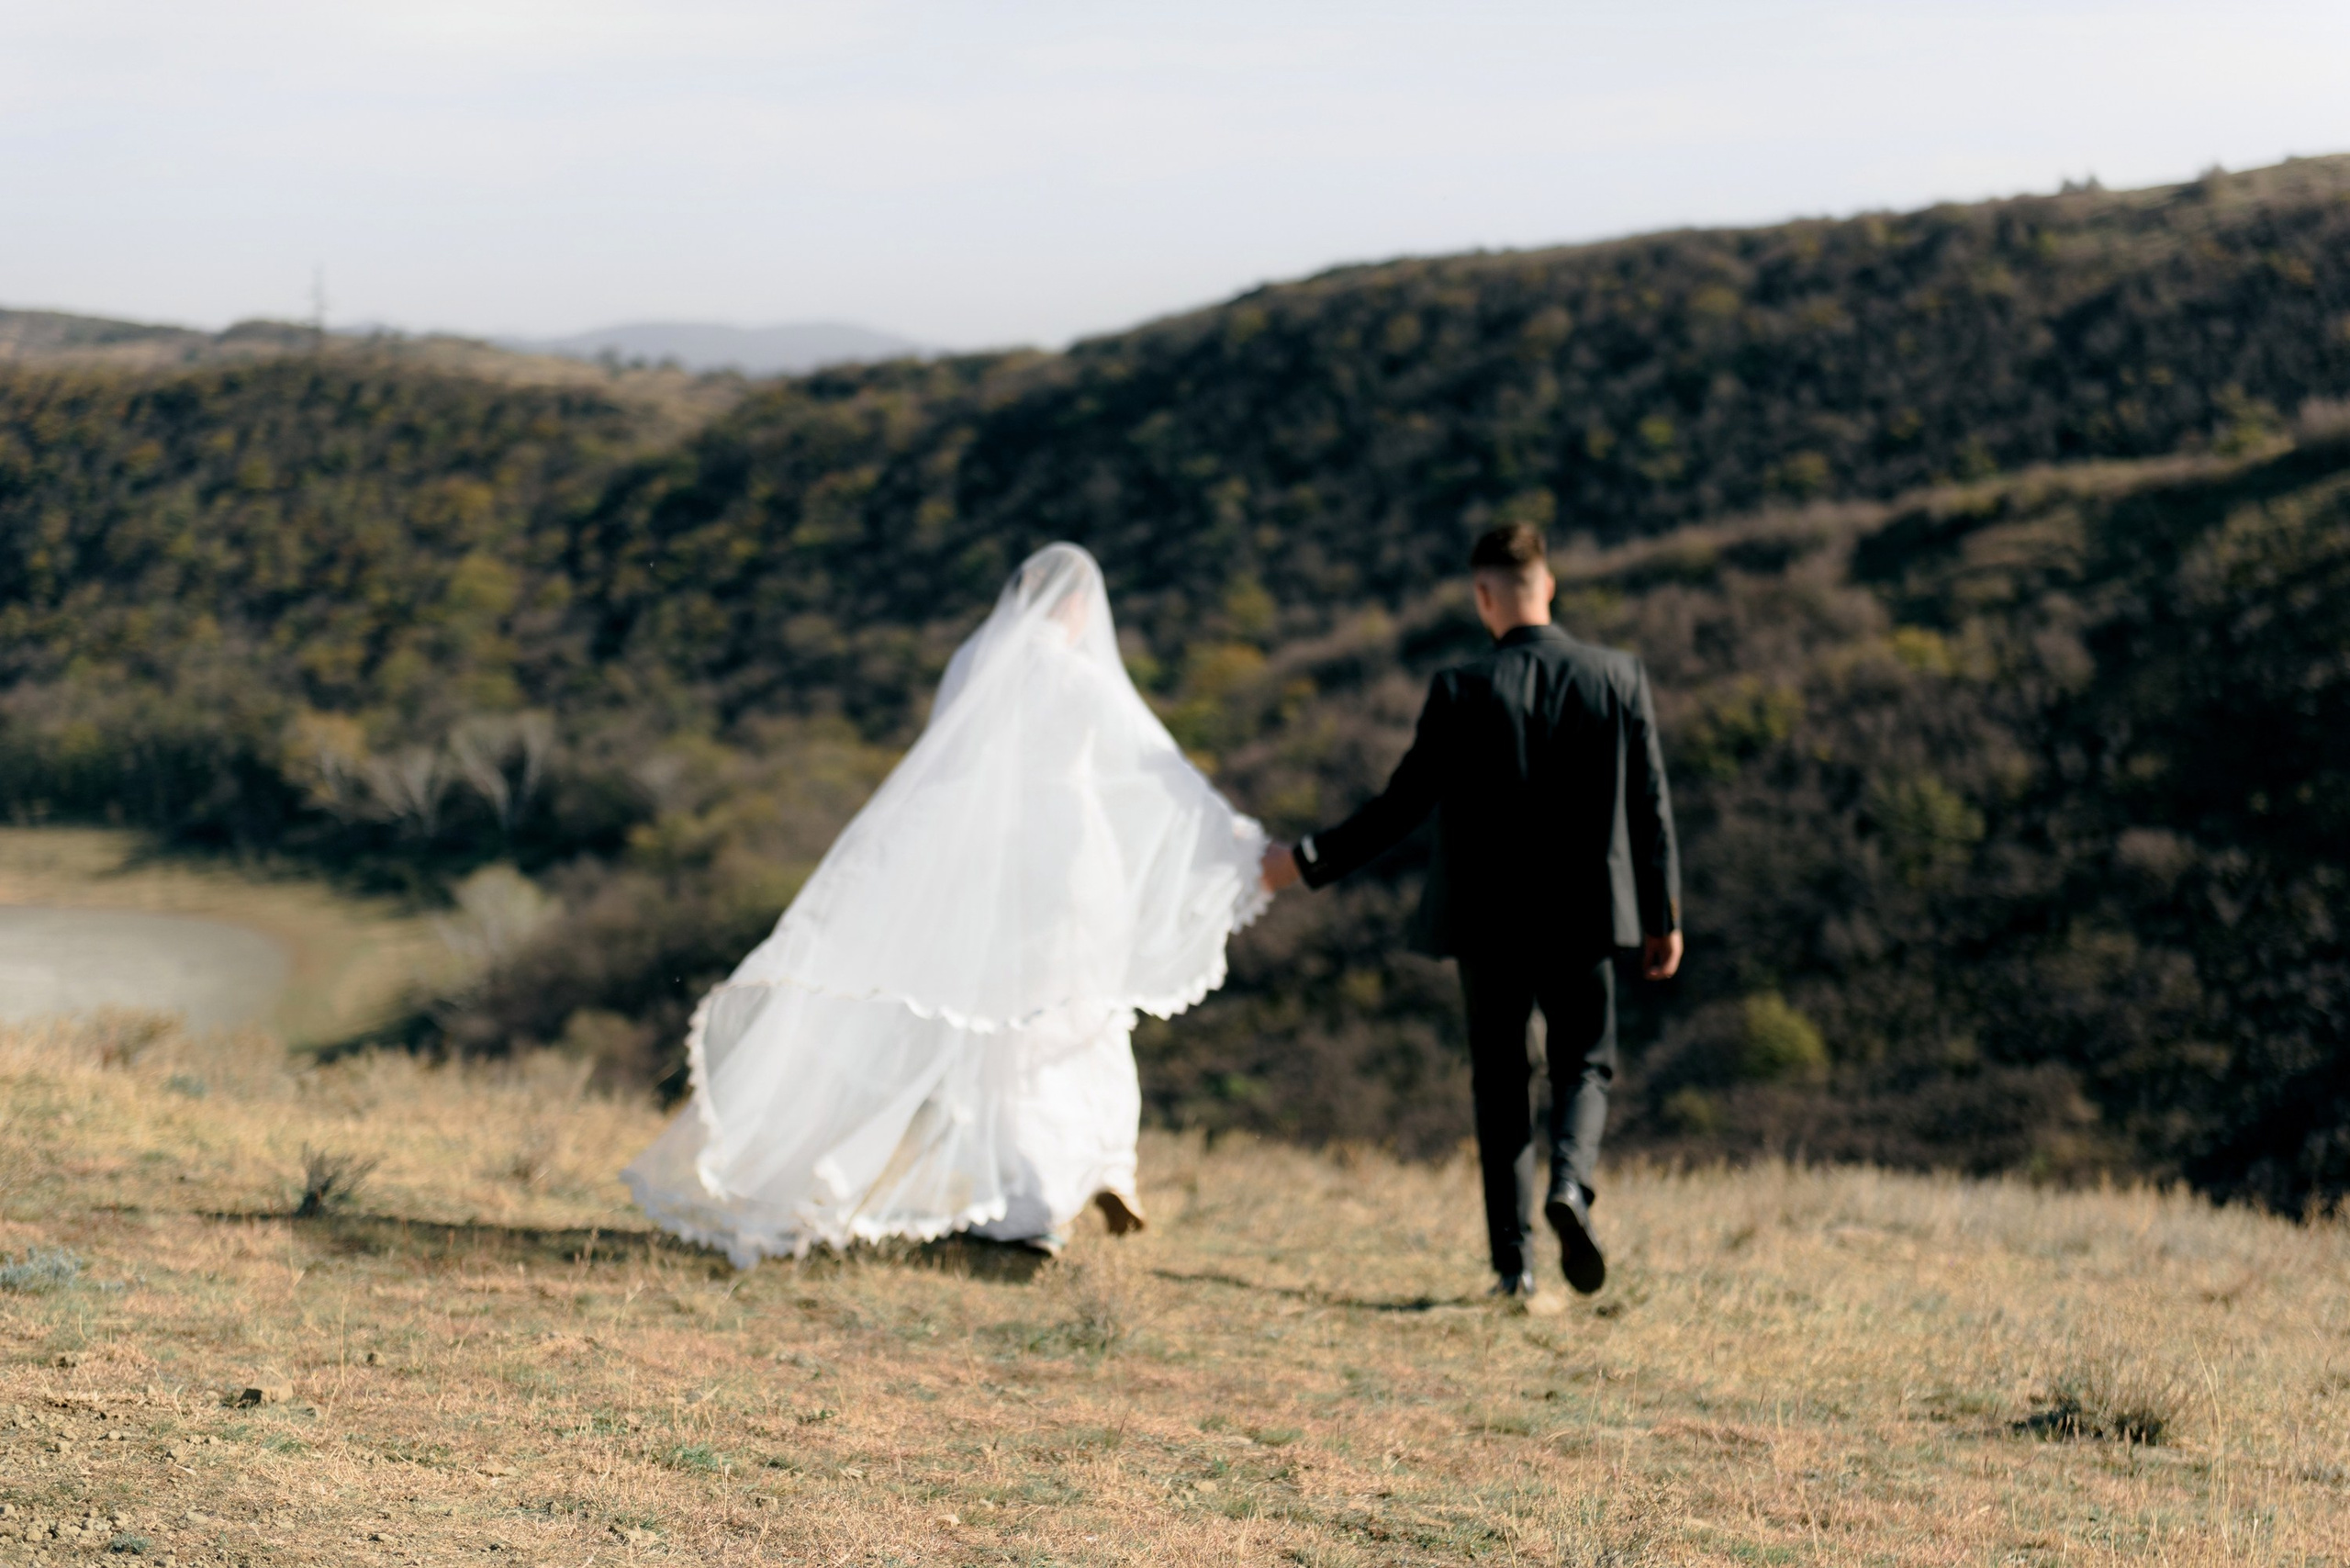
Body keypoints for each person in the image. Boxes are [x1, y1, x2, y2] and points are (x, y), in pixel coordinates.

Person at [624, 543, 1272, 1264]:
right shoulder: (1078, 676)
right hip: (1071, 864)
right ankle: (1082, 1173)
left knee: (1004, 1024)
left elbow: (954, 764)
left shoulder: (976, 662)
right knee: (1073, 1015)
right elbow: (1154, 770)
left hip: (993, 862)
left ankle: (1055, 1182)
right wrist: (1236, 842)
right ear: (1077, 604)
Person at [1260, 521, 1682, 1311]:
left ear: (1483, 597)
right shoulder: (1618, 677)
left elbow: (1399, 809)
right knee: (1584, 1063)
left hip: (1488, 925)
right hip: (1588, 915)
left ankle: (1513, 1267)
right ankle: (1571, 1185)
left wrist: (1307, 860)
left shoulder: (1461, 689)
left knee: (1500, 1085)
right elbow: (1650, 807)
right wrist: (1664, 915)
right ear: (1547, 585)